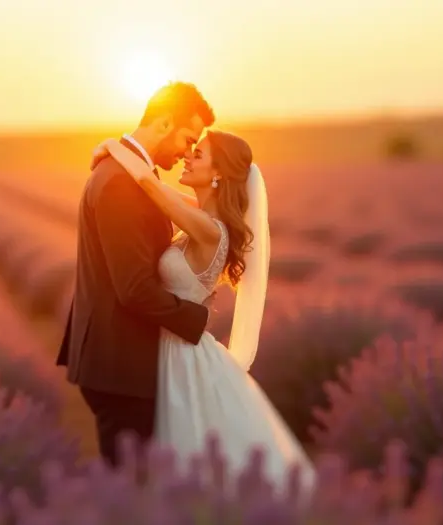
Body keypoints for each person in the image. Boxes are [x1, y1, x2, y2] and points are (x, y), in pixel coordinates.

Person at [88, 123, 315, 490]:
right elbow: (164, 192)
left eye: (199, 152)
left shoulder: (211, 230)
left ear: (219, 174)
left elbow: (147, 184)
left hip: (178, 352)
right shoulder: (203, 216)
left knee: (182, 454)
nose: (189, 155)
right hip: (170, 344)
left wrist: (114, 145)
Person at [56, 82, 215, 465]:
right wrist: (198, 321)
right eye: (188, 138)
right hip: (122, 368)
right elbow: (134, 288)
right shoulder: (120, 183)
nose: (187, 153)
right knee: (132, 487)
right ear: (163, 123)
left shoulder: (127, 171)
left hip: (122, 362)